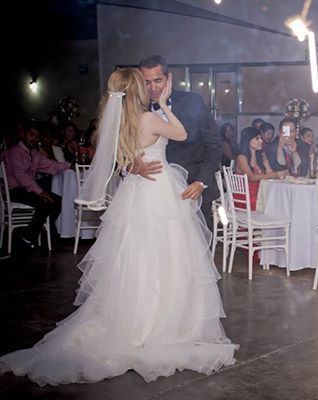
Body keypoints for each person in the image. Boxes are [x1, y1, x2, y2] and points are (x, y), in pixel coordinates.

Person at [0, 68, 237, 385]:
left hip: (135, 194)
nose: (151, 88)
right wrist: (165, 104)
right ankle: (161, 324)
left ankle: (131, 316)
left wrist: (132, 164)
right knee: (165, 257)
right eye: (145, 84)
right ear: (138, 89)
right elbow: (180, 134)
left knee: (134, 257)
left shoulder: (120, 122)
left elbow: (114, 155)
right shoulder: (149, 118)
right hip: (158, 192)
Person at [133, 55, 222, 227]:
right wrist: (133, 166)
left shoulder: (193, 101)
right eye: (146, 82)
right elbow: (118, 150)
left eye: (158, 80)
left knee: (194, 249)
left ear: (169, 78)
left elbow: (214, 146)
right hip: (151, 193)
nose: (152, 88)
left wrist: (201, 182)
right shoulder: (135, 107)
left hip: (192, 189)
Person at [1, 120, 71, 249]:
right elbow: (21, 177)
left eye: (36, 136)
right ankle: (29, 237)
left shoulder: (34, 153)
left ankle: (33, 234)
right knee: (46, 202)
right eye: (31, 135)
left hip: (28, 190)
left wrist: (69, 165)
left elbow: (51, 166)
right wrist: (40, 192)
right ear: (23, 134)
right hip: (15, 190)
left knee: (58, 201)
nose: (34, 139)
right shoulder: (14, 152)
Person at [235, 127, 287, 210]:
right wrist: (274, 175)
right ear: (248, 140)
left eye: (260, 138)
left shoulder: (261, 156)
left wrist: (278, 174)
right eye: (257, 139)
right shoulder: (241, 157)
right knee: (276, 202)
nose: (261, 141)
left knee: (280, 199)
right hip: (247, 196)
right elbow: (251, 177)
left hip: (260, 192)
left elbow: (270, 172)